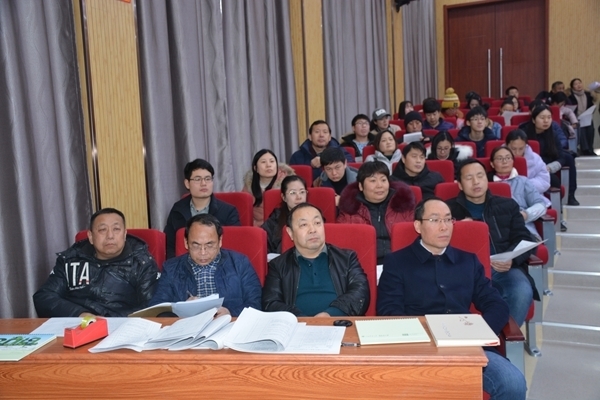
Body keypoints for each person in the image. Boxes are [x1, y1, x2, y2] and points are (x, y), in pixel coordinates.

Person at [377, 198, 526, 400]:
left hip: (469, 348)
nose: (444, 227)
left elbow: (495, 303)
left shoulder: (468, 261)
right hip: (419, 349)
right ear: (418, 226)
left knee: (512, 383)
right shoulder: (397, 262)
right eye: (435, 220)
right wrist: (424, 337)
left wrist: (477, 334)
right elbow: (388, 310)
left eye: (448, 219)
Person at [447, 159, 538, 326]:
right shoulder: (447, 210)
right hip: (462, 269)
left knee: (521, 291)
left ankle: (500, 338)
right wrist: (456, 228)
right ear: (459, 184)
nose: (476, 182)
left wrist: (511, 259)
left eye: (480, 176)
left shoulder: (508, 205)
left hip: (501, 268)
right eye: (469, 178)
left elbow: (524, 238)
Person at [33, 208, 159, 317]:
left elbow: (151, 307)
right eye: (102, 230)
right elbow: (44, 297)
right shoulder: (70, 260)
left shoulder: (142, 263)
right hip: (78, 326)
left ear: (125, 234)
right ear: (91, 236)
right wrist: (80, 313)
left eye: (116, 229)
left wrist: (106, 321)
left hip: (121, 328)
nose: (110, 235)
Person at [262, 203, 370, 316]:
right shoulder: (278, 265)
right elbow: (270, 303)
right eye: (304, 225)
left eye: (317, 223)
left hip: (340, 323)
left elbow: (360, 293)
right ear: (290, 233)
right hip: (297, 325)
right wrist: (302, 320)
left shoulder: (347, 259)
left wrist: (331, 314)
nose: (312, 230)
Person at [150, 214, 261, 317]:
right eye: (196, 246)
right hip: (189, 327)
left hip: (230, 326)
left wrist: (231, 313)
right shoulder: (171, 268)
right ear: (186, 243)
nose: (203, 252)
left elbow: (256, 304)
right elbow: (157, 310)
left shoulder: (240, 263)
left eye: (209, 245)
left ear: (220, 241)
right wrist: (182, 310)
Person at [337, 161, 415, 264]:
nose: (379, 185)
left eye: (383, 180)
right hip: (363, 264)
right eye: (373, 181)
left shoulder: (404, 205)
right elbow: (343, 248)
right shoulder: (349, 212)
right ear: (361, 186)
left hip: (402, 262)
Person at [164, 159, 240, 259]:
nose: (203, 183)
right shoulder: (178, 209)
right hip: (184, 264)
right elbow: (169, 246)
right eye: (197, 179)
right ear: (187, 183)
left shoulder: (228, 212)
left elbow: (234, 247)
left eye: (208, 179)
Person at [521, 104, 579, 205]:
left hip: (547, 165)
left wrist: (550, 167)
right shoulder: (523, 133)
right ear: (534, 120)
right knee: (554, 180)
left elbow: (560, 156)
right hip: (530, 166)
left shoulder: (552, 133)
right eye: (542, 118)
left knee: (568, 157)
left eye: (549, 117)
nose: (546, 121)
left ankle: (570, 195)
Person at [488, 146, 549, 240]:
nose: (504, 161)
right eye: (500, 158)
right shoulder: (485, 184)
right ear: (492, 164)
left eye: (508, 158)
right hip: (495, 231)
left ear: (513, 161)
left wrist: (525, 215)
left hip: (522, 227)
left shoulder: (523, 181)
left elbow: (541, 205)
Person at [242, 149, 295, 227]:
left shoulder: (289, 183)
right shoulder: (249, 185)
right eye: (263, 162)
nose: (268, 165)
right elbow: (244, 213)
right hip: (257, 228)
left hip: (282, 226)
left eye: (272, 161)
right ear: (255, 168)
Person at [290, 120, 354, 180]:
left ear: (329, 137)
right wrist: (310, 165)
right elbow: (292, 179)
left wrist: (325, 160)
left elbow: (352, 167)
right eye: (317, 132)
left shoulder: (341, 151)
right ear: (310, 136)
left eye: (325, 132)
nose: (321, 135)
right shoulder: (297, 156)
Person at [261, 176, 307, 254]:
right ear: (284, 197)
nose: (299, 197)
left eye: (302, 192)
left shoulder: (315, 216)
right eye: (293, 193)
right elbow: (264, 245)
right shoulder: (276, 218)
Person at [505, 129, 551, 195]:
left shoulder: (535, 158)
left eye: (521, 149)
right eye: (513, 149)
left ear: (525, 146)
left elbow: (544, 181)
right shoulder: (498, 158)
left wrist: (523, 185)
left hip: (531, 194)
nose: (517, 152)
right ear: (506, 145)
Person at [568, 78, 596, 155]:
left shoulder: (588, 94)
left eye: (579, 83)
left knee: (591, 131)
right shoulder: (570, 97)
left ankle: (590, 149)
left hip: (587, 116)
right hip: (577, 118)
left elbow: (591, 105)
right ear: (572, 87)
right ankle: (584, 150)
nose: (578, 85)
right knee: (582, 133)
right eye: (575, 84)